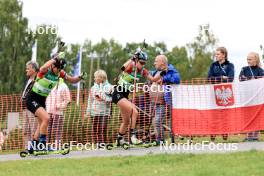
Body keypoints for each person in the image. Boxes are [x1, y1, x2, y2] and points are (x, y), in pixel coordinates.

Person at [25, 52, 87, 153]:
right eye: (57, 67)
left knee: (42, 124)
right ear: (53, 65)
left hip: (41, 101)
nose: (58, 70)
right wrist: (54, 59)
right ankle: (42, 145)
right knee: (46, 118)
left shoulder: (60, 73)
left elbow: (72, 80)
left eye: (60, 68)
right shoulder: (45, 71)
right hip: (32, 99)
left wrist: (80, 77)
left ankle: (32, 147)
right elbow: (42, 68)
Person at [112, 50, 165, 146]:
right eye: (141, 62)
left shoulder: (143, 71)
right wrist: (132, 58)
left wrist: (161, 74)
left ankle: (119, 139)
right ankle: (133, 137)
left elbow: (153, 79)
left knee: (126, 121)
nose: (142, 65)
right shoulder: (131, 66)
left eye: (144, 63)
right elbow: (122, 68)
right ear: (136, 61)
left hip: (125, 95)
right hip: (118, 93)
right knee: (134, 111)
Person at [150, 55, 180, 144]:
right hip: (154, 102)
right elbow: (150, 77)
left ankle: (163, 140)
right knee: (155, 121)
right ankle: (159, 139)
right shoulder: (156, 72)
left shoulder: (171, 70)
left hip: (165, 102)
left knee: (159, 120)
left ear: (162, 62)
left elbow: (177, 79)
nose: (154, 63)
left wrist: (164, 78)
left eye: (156, 61)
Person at [207, 47, 235, 141]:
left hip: (226, 93)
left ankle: (225, 131)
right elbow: (209, 79)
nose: (216, 55)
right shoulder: (213, 65)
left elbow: (230, 78)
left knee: (224, 113)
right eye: (216, 54)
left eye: (218, 54)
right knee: (214, 113)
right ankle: (213, 132)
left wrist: (219, 78)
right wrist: (222, 77)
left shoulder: (230, 65)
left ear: (223, 55)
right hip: (214, 92)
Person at [239, 52, 264, 141]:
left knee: (256, 116)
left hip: (257, 98)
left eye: (250, 59)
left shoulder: (260, 70)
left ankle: (255, 136)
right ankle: (248, 135)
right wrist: (251, 80)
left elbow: (261, 80)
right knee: (248, 116)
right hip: (247, 97)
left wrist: (254, 80)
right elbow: (241, 78)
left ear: (255, 60)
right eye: (247, 59)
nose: (248, 61)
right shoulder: (244, 69)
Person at [86, 70, 112, 146]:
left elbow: (110, 99)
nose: (94, 79)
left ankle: (103, 144)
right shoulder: (93, 88)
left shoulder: (109, 87)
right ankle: (98, 144)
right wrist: (88, 112)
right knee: (95, 129)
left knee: (103, 128)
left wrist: (102, 95)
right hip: (94, 112)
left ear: (101, 78)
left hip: (105, 112)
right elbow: (89, 101)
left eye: (96, 77)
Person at [46, 78, 71, 146]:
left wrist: (59, 106)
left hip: (58, 113)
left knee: (57, 130)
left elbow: (68, 100)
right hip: (48, 112)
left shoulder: (63, 86)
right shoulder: (49, 84)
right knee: (47, 130)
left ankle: (57, 146)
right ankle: (45, 145)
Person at [21, 61, 39, 150]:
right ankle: (27, 149)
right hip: (25, 108)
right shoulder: (27, 80)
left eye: (28, 68)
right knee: (25, 130)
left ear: (34, 69)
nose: (26, 70)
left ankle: (34, 148)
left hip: (33, 108)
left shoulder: (38, 80)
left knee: (33, 130)